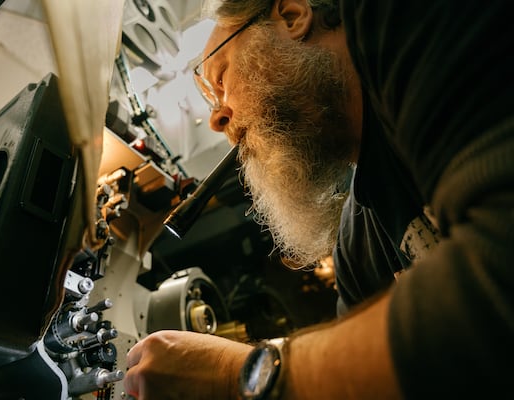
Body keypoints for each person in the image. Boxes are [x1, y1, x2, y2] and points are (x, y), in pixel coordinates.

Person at [123, 0, 514, 398]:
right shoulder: (358, 246)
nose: (217, 119)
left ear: (292, 16)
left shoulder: (403, 20)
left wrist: (239, 375)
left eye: (220, 80)